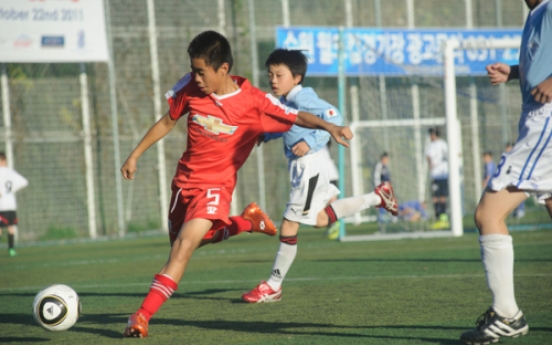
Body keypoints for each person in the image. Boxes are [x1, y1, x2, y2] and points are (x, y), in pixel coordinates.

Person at [119, 31, 353, 338]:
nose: (196, 77)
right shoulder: (189, 88)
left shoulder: (254, 101)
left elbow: (297, 116)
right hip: (184, 183)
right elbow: (167, 120)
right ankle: (246, 222)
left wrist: (329, 126)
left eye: (201, 72)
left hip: (216, 187)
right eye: (193, 70)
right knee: (182, 243)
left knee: (183, 249)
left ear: (223, 69)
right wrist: (135, 155)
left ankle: (141, 317)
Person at [241, 49, 398, 304]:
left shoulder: (303, 96)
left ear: (297, 77)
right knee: (320, 219)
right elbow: (289, 125)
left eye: (279, 75)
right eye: (270, 74)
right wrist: (266, 135)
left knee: (289, 225)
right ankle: (377, 197)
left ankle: (273, 285)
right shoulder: (287, 101)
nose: (273, 80)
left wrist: (310, 141)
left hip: (309, 165)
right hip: (307, 165)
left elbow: (333, 117)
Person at [460, 0, 552, 343]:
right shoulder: (537, 13)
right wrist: (513, 71)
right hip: (539, 119)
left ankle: (508, 314)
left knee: (488, 214)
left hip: (546, 120)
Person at [0, 152, 28, 257]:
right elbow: (24, 182)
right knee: (11, 227)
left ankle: (10, 250)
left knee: (0, 228)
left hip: (1, 204)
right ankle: (11, 250)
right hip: (11, 204)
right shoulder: (10, 172)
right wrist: (12, 190)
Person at [425, 127, 449, 229]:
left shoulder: (432, 145)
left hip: (436, 175)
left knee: (435, 198)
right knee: (442, 197)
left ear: (433, 135)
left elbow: (428, 157)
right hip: (445, 174)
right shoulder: (444, 144)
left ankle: (439, 219)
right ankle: (444, 219)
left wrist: (430, 164)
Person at [505, 142, 526, 219]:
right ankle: (514, 211)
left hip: (518, 179)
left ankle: (521, 210)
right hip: (510, 180)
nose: (507, 149)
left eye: (508, 147)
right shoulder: (508, 157)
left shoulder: (517, 157)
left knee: (519, 195)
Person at [373, 152, 392, 223]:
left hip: (386, 188)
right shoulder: (379, 166)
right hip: (380, 188)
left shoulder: (386, 166)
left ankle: (385, 216)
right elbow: (376, 177)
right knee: (381, 202)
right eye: (386, 159)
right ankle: (381, 217)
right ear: (383, 159)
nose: (387, 161)